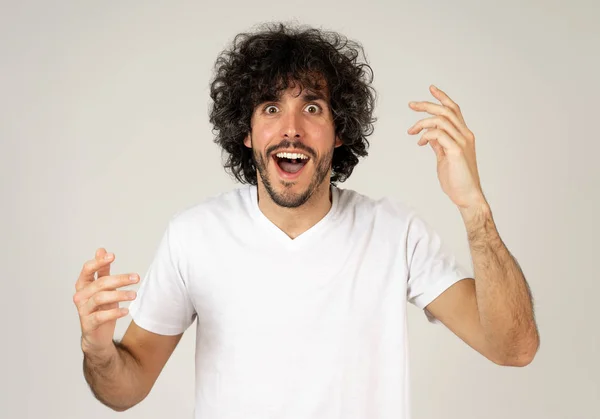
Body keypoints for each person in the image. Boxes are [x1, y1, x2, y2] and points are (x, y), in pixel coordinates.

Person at [73, 22, 540, 418]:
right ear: (247, 132)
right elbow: (126, 388)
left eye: (312, 107)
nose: (291, 126)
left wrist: (473, 206)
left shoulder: (395, 233)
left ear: (340, 132)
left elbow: (514, 348)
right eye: (271, 107)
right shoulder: (195, 235)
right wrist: (98, 349)